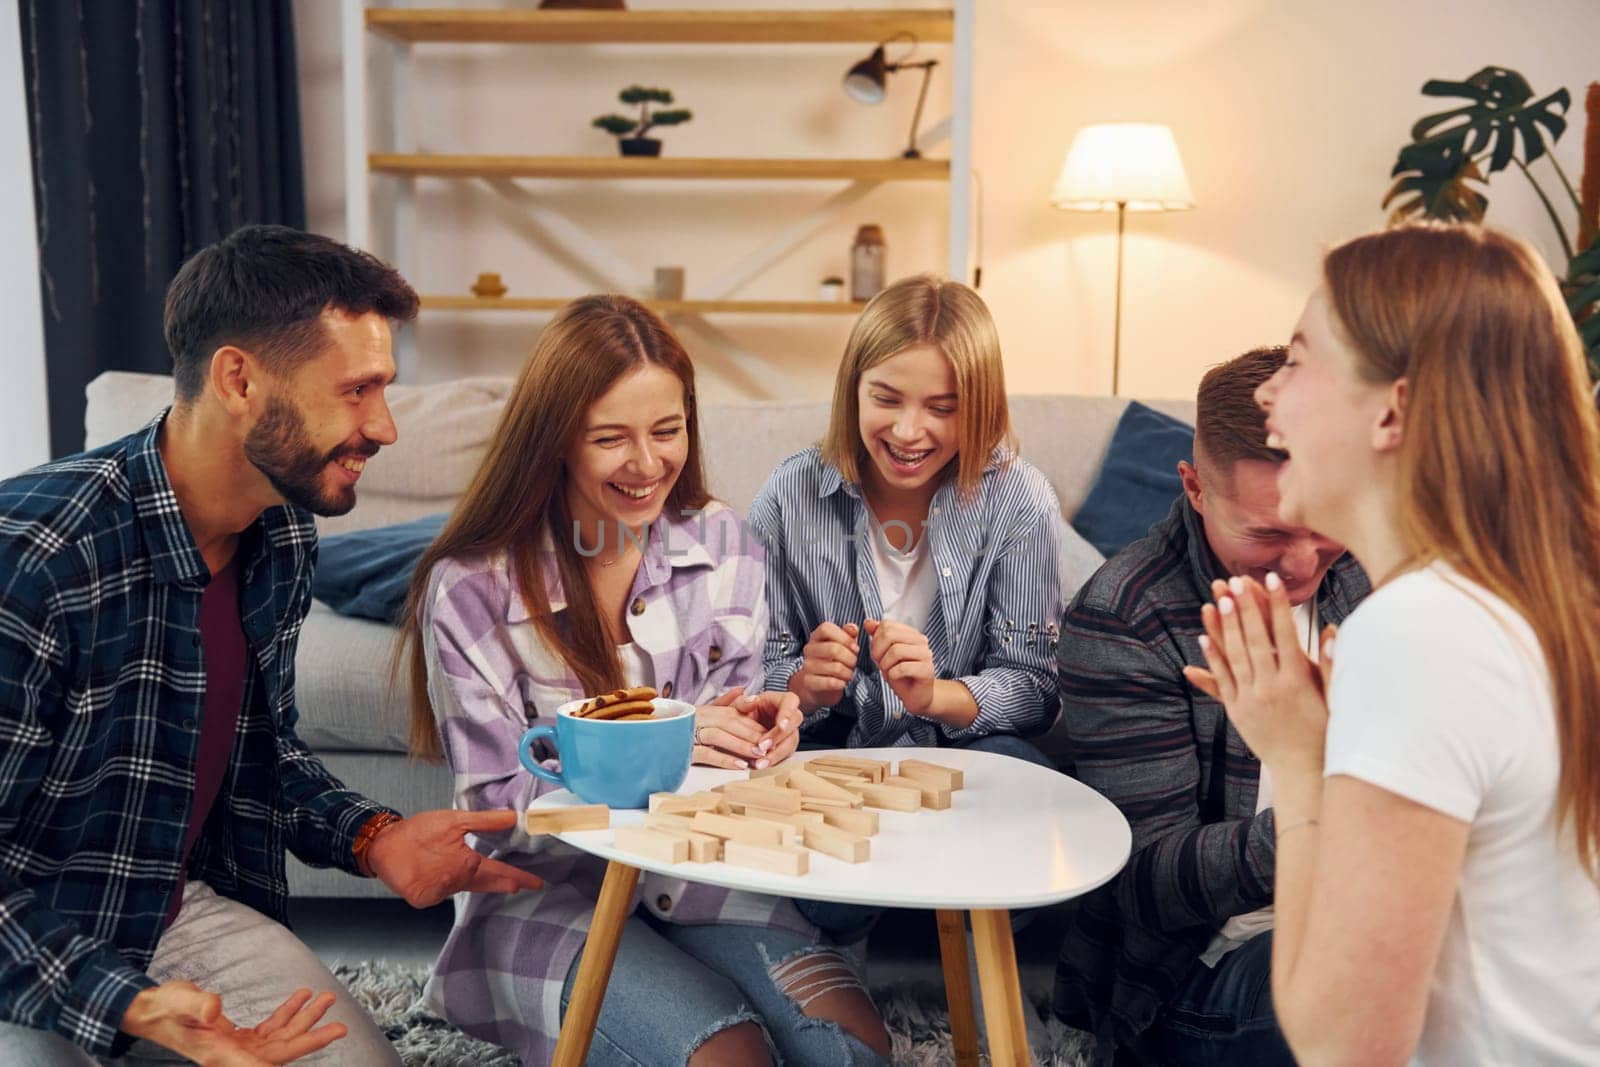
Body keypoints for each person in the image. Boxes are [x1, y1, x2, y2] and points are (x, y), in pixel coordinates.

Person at [0, 224, 542, 1067]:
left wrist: (377, 839)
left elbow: (263, 753)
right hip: (28, 946)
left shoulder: (281, 533)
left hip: (169, 910)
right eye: (357, 390)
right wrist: (132, 1004)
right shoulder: (35, 554)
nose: (386, 426)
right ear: (239, 378)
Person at [403, 295, 891, 1066]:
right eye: (610, 438)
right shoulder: (472, 588)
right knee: (733, 1057)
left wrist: (767, 730)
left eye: (667, 430)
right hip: (547, 897)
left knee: (854, 1051)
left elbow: (728, 757)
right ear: (555, 440)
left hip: (704, 871)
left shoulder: (725, 543)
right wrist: (668, 741)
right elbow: (497, 811)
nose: (647, 463)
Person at [1189, 223, 1600, 1064]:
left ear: (1393, 410)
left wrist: (1302, 759)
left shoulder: (1419, 630)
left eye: (1298, 361)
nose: (1270, 397)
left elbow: (1342, 1042)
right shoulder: (1530, 603)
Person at [1051, 345, 1369, 1064]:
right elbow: (1150, 882)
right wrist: (1328, 806)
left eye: (1319, 521)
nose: (1302, 563)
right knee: (1368, 978)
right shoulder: (1126, 616)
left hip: (1384, 906)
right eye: (1267, 535)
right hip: (1203, 971)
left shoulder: (1361, 565)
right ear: (1194, 488)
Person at [747, 274, 1062, 761]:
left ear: (979, 407)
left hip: (963, 742)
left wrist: (934, 696)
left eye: (942, 408)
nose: (908, 431)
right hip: (827, 739)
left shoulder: (1021, 499)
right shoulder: (790, 495)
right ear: (853, 389)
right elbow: (752, 669)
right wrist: (805, 686)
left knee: (1023, 767)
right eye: (886, 399)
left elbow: (1035, 687)